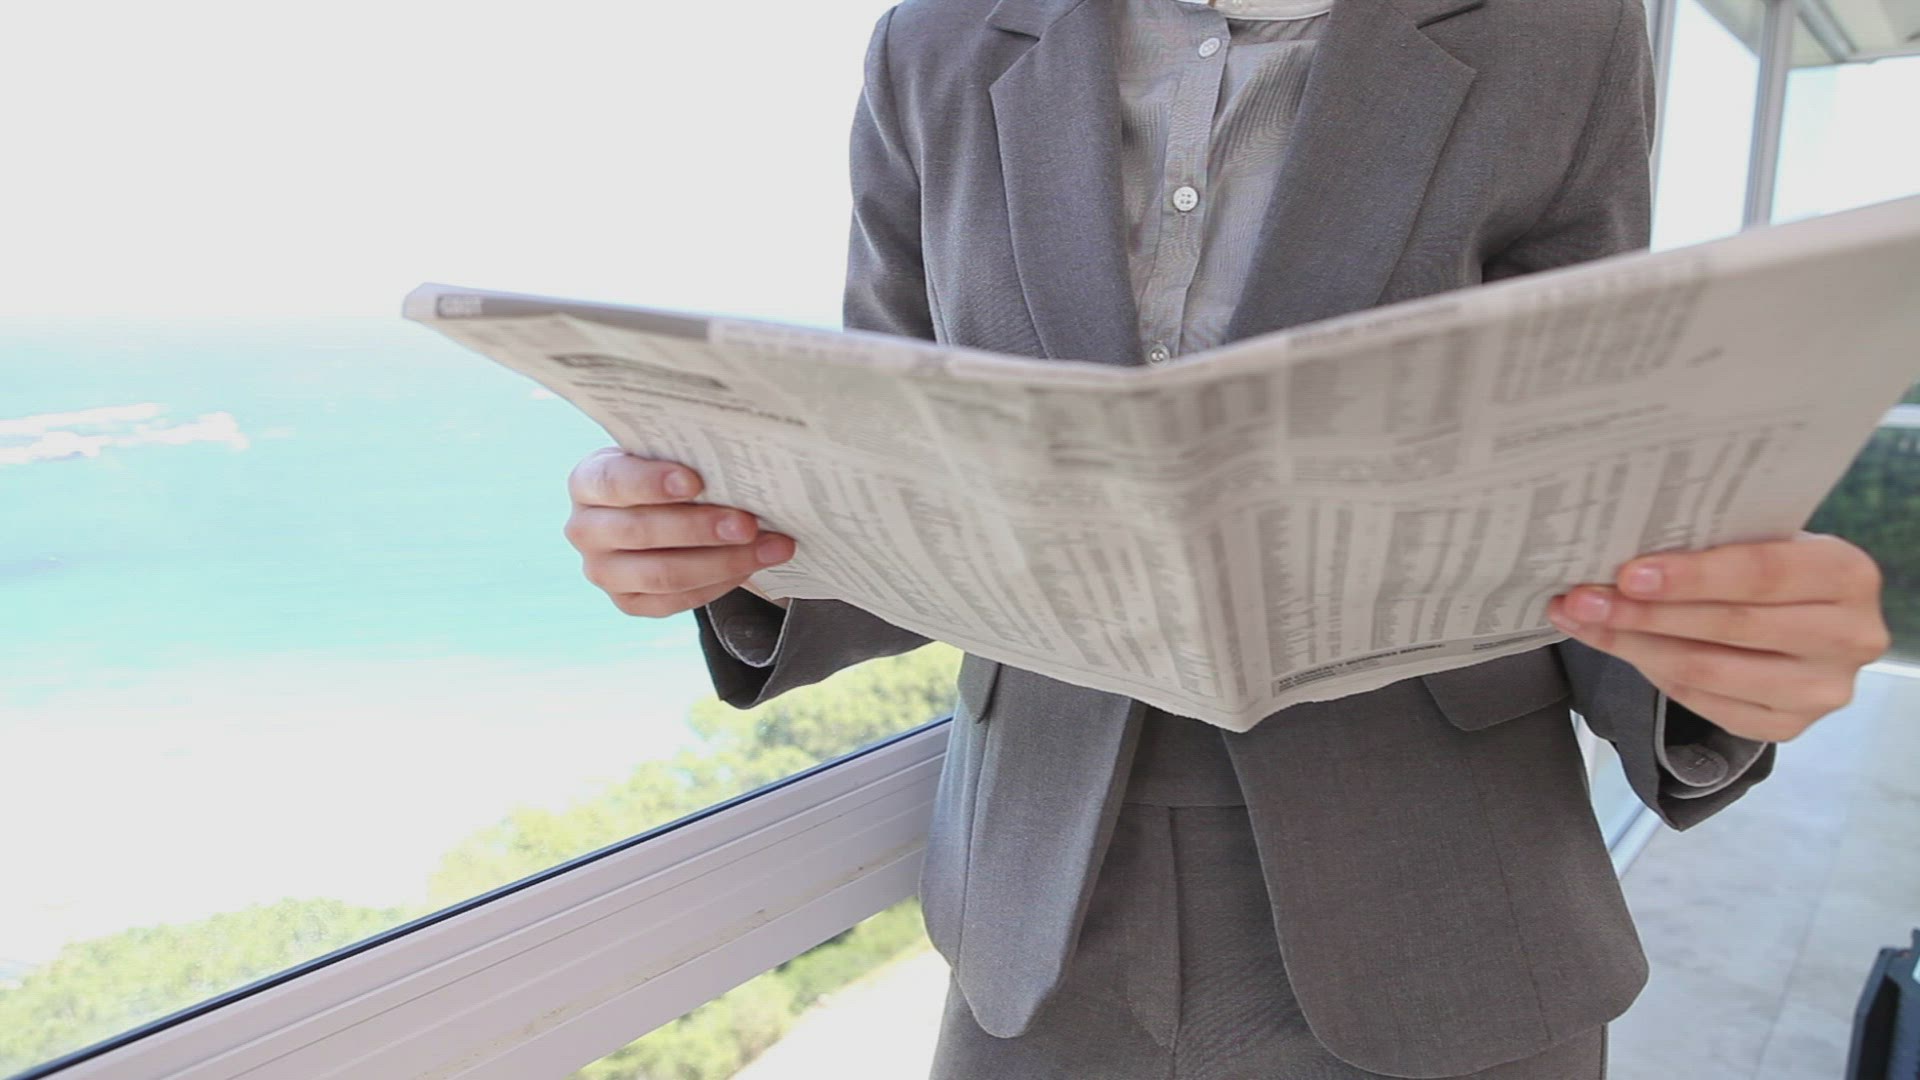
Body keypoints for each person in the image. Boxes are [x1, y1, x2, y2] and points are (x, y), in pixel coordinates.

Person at [562, 0, 1892, 1074]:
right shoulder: (935, 41)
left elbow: (1582, 481)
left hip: (1446, 900)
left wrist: (1708, 662)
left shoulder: (1563, 34)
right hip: (1041, 914)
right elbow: (901, 473)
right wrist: (725, 543)